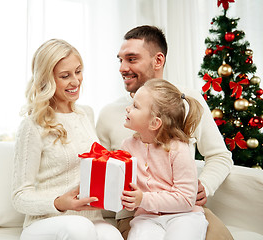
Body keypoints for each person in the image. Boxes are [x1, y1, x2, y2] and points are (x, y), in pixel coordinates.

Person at [96, 25, 234, 240]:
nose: (122, 68)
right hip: (136, 215)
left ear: (158, 60)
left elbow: (220, 155)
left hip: (183, 209)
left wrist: (204, 186)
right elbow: (101, 173)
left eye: (131, 59)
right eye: (120, 60)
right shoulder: (110, 114)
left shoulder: (187, 100)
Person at [12, 39, 123, 240]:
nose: (76, 81)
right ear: (47, 80)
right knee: (79, 228)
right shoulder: (33, 125)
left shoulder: (85, 115)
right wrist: (58, 203)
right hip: (45, 223)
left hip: (89, 218)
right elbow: (19, 196)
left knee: (112, 235)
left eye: (78, 71)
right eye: (65, 76)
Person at [121, 78, 208, 239]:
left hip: (184, 215)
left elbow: (186, 199)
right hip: (146, 218)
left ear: (154, 123)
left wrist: (143, 199)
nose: (128, 109)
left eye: (135, 106)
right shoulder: (127, 146)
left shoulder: (178, 149)